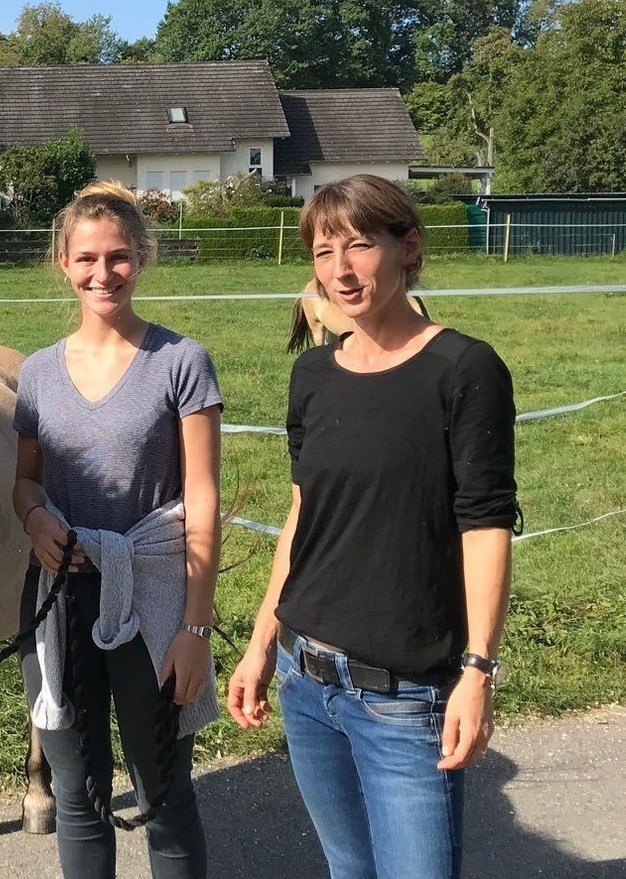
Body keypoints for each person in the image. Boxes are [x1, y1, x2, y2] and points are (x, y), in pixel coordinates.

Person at [226, 174, 518, 878]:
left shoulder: (464, 369)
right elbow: (304, 516)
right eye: (324, 253)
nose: (341, 270)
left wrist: (477, 671)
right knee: (348, 871)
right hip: (305, 680)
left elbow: (485, 526)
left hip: (406, 697)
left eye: (360, 246)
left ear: (408, 247)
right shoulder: (314, 375)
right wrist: (261, 642)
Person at [13, 181, 222, 878]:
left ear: (143, 258)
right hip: (61, 601)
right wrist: (36, 515)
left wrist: (194, 631)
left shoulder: (180, 363)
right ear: (62, 263)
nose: (103, 273)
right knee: (77, 794)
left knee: (164, 795)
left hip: (153, 601)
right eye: (88, 258)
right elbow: (25, 481)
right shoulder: (38, 374)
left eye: (120, 257)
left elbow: (202, 496)